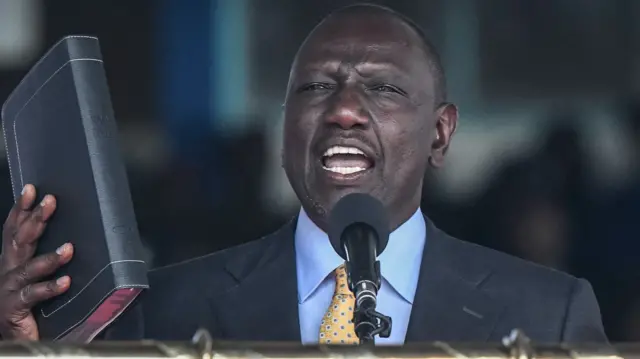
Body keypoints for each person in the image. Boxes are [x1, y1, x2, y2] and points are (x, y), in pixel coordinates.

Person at [0, 3, 607, 344]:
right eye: (316, 88)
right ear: (286, 132)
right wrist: (24, 346)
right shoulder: (162, 311)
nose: (343, 109)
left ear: (440, 135)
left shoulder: (548, 313)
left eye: (382, 88)